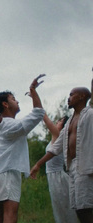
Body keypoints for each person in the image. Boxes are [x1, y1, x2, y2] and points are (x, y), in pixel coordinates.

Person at [0, 74, 45, 223]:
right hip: (8, 173)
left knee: (0, 216)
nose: (17, 101)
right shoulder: (14, 126)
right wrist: (33, 90)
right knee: (10, 214)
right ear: (5, 104)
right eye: (13, 99)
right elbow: (39, 113)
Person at [31, 78, 93, 223]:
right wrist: (38, 164)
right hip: (72, 169)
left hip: (86, 167)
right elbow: (55, 148)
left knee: (86, 207)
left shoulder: (89, 115)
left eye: (72, 95)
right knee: (78, 208)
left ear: (82, 97)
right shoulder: (70, 121)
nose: (68, 98)